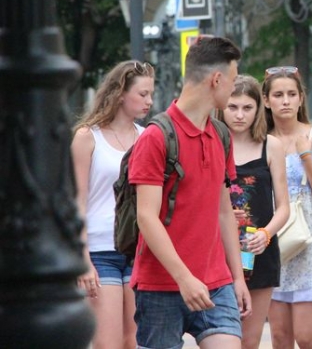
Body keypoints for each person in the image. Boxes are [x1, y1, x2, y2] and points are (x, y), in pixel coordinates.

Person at [127, 36, 250, 349]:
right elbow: (146, 217)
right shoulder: (156, 137)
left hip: (216, 282)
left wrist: (237, 277)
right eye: (233, 79)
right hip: (160, 285)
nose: (234, 88)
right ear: (216, 79)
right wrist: (184, 278)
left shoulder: (220, 134)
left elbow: (224, 212)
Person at [70, 60, 155, 349]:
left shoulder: (147, 137)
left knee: (135, 340)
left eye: (151, 94)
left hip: (138, 248)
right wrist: (82, 260)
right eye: (142, 94)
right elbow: (77, 202)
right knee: (108, 343)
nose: (149, 101)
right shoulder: (87, 137)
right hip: (99, 250)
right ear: (120, 93)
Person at [262, 66, 312, 349]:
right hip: (275, 241)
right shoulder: (262, 141)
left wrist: (306, 155)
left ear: (301, 98)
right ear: (266, 100)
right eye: (278, 95)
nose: (285, 101)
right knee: (280, 337)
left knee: (305, 337)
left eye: (291, 94)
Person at [221, 74, 290, 349]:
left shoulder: (270, 145)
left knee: (250, 340)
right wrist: (222, 211)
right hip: (218, 250)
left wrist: (266, 234)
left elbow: (283, 207)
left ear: (258, 108)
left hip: (257, 250)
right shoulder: (213, 142)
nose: (240, 115)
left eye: (247, 108)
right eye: (233, 107)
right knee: (222, 337)